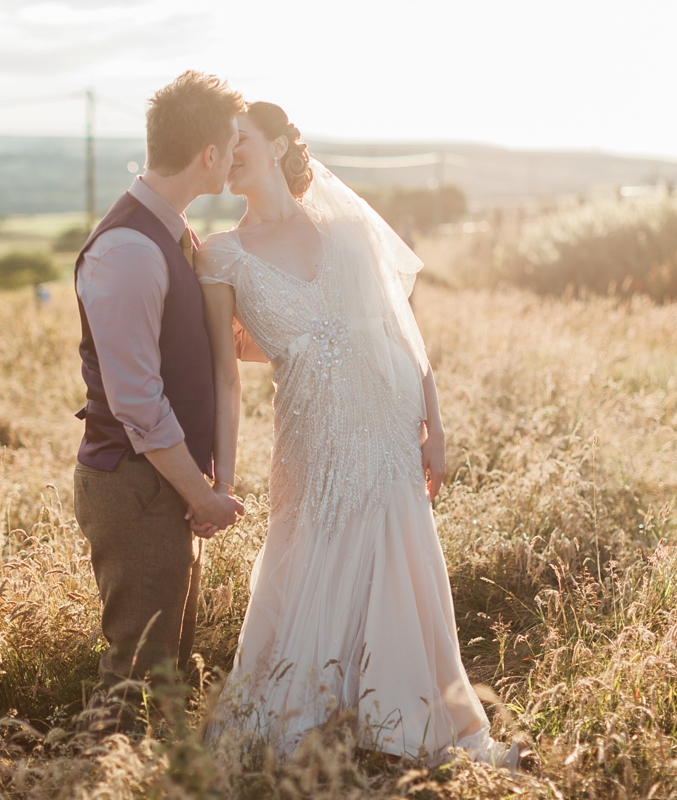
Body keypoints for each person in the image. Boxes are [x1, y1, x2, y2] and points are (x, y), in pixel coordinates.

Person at [195, 102, 523, 768]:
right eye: (221, 146)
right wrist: (220, 478)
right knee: (311, 547)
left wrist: (433, 422)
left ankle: (406, 718)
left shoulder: (345, 227)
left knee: (395, 556)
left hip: (389, 421)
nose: (230, 154)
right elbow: (227, 375)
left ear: (281, 142)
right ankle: (315, 713)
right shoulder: (220, 255)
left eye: (243, 141)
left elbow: (397, 330)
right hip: (310, 433)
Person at [72, 71, 248, 707]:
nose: (235, 156)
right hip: (133, 489)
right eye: (231, 144)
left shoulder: (173, 233)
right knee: (137, 670)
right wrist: (202, 494)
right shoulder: (128, 248)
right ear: (208, 156)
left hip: (164, 486)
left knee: (171, 663)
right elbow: (137, 404)